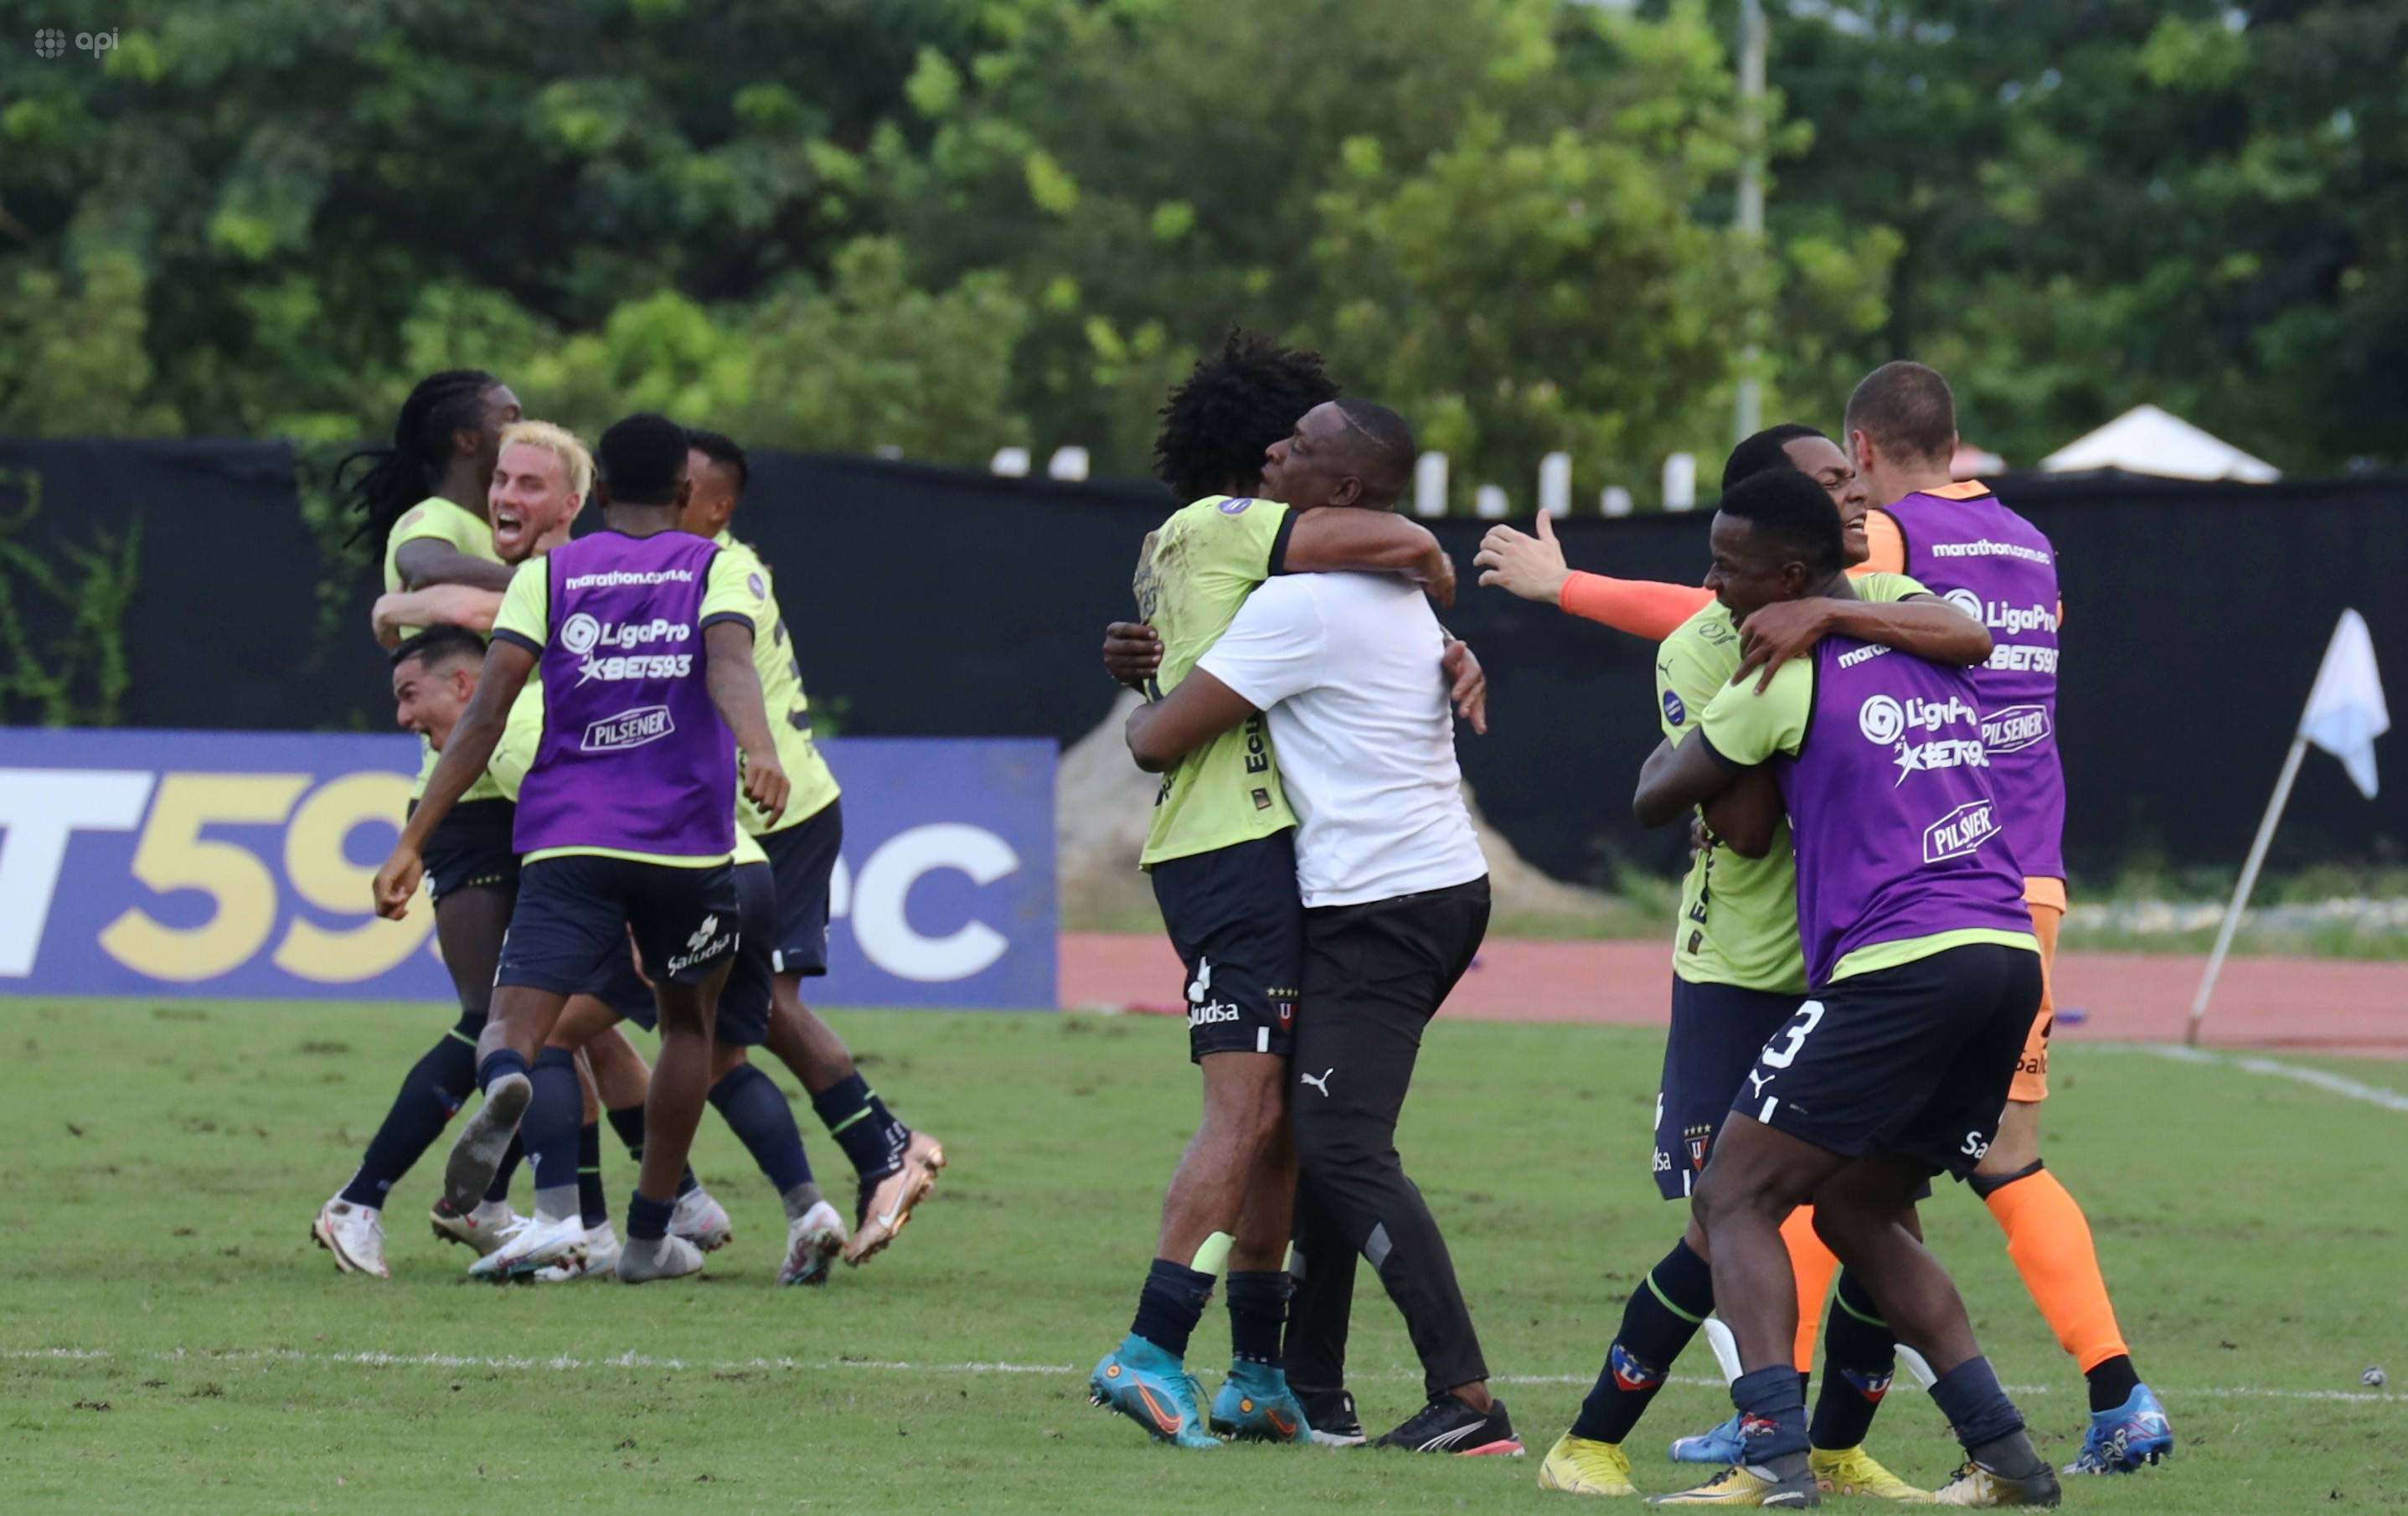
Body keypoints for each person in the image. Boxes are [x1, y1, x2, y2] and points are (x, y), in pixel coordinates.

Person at [1521, 430, 1993, 1503]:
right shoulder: (1698, 642)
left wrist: (1833, 617)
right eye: (1829, 485)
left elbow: (1961, 633)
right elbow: (1735, 828)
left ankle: (1830, 1451)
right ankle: (1598, 1440)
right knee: (1718, 1212)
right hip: (1743, 961)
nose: (1851, 495)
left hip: (1862, 957)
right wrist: (1767, 711)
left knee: (1880, 1208)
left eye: (1846, 479)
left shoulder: (1872, 589)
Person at [1631, 469, 2058, 1508]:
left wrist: (1705, 705)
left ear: (1787, 573)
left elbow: (1657, 799)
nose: (1714, 586)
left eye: (1729, 569)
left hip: (1901, 962)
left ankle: (1774, 1454)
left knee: (1731, 1191)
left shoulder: (1778, 668)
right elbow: (1971, 636)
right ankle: (2007, 1457)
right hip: (2003, 954)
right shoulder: (1911, 625)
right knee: (1862, 1207)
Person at [1085, 334, 1474, 1451]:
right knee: (1247, 1110)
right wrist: (1432, 566)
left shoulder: (1225, 556)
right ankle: (1148, 1350)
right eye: (1287, 433)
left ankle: (1258, 1369)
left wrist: (1441, 641)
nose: (1281, 451)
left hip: (1267, 847)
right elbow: (1404, 538)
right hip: (1227, 846)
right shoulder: (1228, 524)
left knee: (1284, 1134)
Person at [372, 411, 790, 1285]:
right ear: (685, 492)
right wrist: (759, 749)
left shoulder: (550, 576)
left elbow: (483, 715)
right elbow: (729, 667)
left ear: (595, 493)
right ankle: (644, 1237)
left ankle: (505, 1085)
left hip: (569, 840)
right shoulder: (717, 566)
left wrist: (415, 838)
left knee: (513, 1024)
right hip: (685, 844)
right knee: (685, 1027)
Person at [1846, 361, 2171, 1477]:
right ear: (1958, 440)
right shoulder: (2031, 543)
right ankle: (2117, 1396)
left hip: (1933, 872)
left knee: (1804, 1143)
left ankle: (1771, 1417)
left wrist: (1570, 589)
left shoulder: (1889, 541)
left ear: (1861, 452)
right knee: (2004, 1159)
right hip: (2029, 877)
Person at [682, 428, 947, 1266]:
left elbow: (721, 672)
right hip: (735, 819)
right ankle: (855, 1170)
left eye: (675, 489)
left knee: (742, 1023)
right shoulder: (678, 565)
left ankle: (882, 1154)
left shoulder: (726, 575)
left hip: (775, 816)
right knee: (726, 1030)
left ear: (719, 505)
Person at [309, 372, 528, 1276]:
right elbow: (430, 574)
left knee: (547, 1022)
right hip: (467, 804)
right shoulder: (433, 525)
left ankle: (503, 1206)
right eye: (508, 415)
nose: (523, 427)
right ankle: (358, 1200)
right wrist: (552, 581)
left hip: (531, 793)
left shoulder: (517, 532)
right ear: (468, 441)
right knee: (493, 1018)